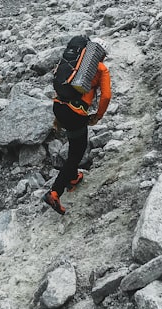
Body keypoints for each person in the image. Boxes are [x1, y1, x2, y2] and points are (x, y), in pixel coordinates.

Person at [43, 42, 112, 215]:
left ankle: (73, 178)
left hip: (59, 106)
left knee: (74, 145)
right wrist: (98, 116)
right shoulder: (101, 68)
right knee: (76, 153)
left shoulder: (74, 62)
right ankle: (55, 192)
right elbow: (106, 96)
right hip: (75, 113)